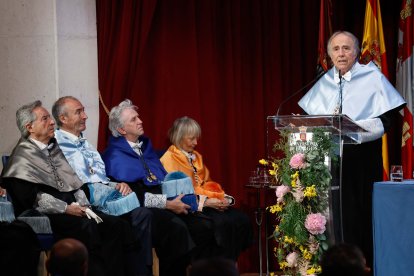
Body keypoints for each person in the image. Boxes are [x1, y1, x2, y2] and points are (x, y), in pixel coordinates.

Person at [298, 31, 406, 267]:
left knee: (360, 214)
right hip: (330, 162)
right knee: (334, 215)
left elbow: (387, 121)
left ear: (356, 52)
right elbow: (311, 121)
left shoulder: (372, 78)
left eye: (346, 48)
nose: (341, 53)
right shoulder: (324, 82)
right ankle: (332, 264)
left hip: (362, 161)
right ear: (329, 54)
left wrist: (353, 129)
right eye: (336, 49)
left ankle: (362, 264)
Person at [1, 100, 137, 276]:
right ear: (30, 127)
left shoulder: (54, 149)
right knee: (87, 227)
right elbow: (31, 198)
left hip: (75, 209)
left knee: (115, 225)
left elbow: (73, 183)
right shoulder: (21, 158)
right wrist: (66, 208)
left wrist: (83, 205)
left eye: (50, 117)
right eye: (45, 119)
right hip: (46, 214)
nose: (51, 122)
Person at [100, 99, 205, 275]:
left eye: (138, 117)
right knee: (177, 229)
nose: (140, 121)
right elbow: (135, 195)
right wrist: (167, 204)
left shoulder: (145, 147)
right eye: (133, 119)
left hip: (165, 204)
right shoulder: (113, 156)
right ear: (121, 130)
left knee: (202, 225)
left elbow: (161, 180)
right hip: (142, 208)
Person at [52, 96, 153, 275]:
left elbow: (100, 178)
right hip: (84, 201)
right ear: (63, 119)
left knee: (142, 214)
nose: (85, 116)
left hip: (107, 198)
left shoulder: (87, 145)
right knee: (119, 225)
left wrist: (118, 185)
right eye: (79, 112)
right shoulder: (56, 146)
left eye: (84, 111)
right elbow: (71, 183)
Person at [160, 116, 253, 261]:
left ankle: (228, 265)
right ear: (179, 137)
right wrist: (206, 202)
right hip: (189, 207)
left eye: (196, 138)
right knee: (221, 225)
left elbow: (208, 184)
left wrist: (223, 198)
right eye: (191, 139)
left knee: (241, 219)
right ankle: (213, 267)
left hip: (206, 202)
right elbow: (176, 195)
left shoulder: (196, 157)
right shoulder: (168, 159)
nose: (196, 143)